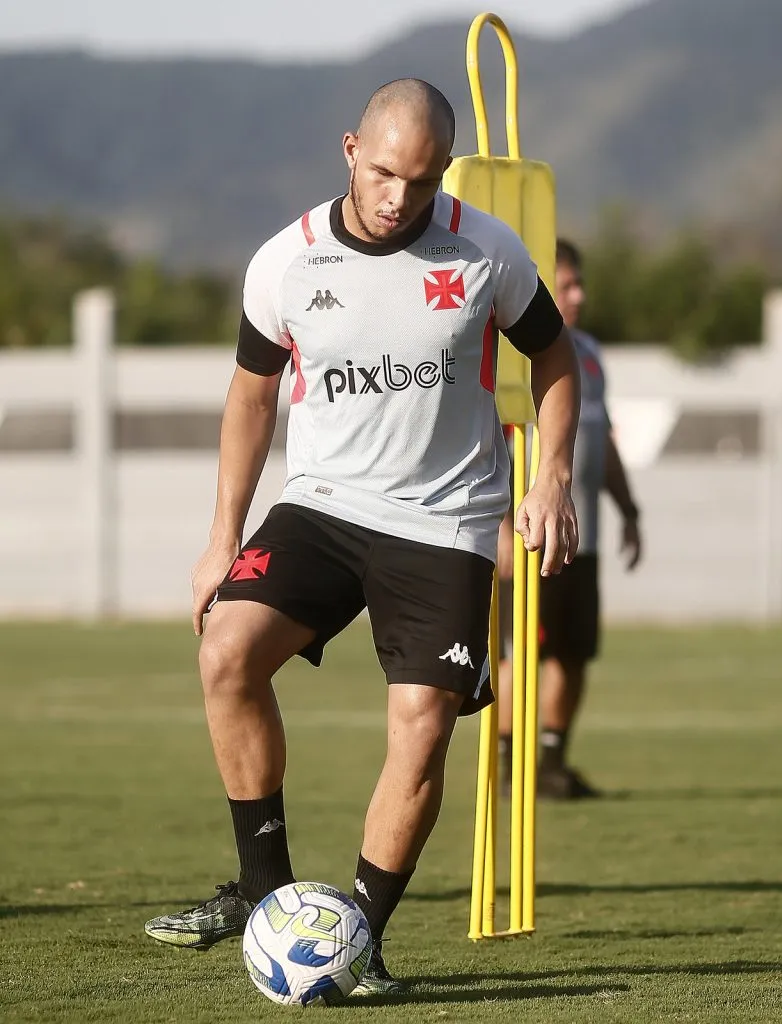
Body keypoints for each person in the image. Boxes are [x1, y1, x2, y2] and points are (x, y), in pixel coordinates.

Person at [144, 79, 580, 994]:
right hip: (324, 504)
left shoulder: (485, 249)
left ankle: (359, 939)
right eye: (384, 173)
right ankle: (264, 897)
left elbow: (552, 354)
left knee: (420, 729)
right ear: (350, 150)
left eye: (420, 183)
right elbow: (251, 395)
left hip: (446, 520)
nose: (398, 199)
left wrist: (552, 476)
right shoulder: (285, 263)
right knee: (226, 652)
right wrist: (221, 534)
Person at [497, 238, 642, 800]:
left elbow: (602, 438)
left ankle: (553, 765)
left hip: (582, 536)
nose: (578, 294)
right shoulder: (514, 358)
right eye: (566, 284)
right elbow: (495, 446)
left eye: (579, 283)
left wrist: (629, 510)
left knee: (573, 654)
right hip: (527, 538)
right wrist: (501, 526)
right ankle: (510, 768)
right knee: (518, 654)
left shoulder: (589, 355)